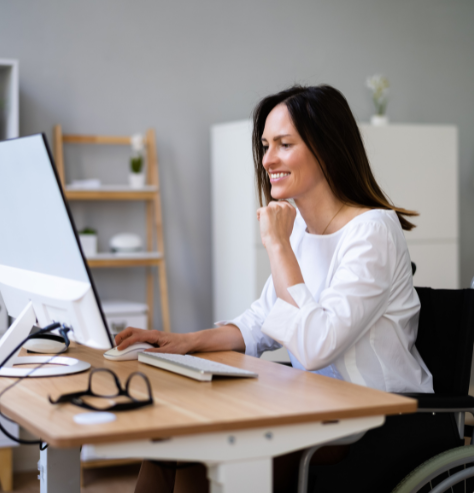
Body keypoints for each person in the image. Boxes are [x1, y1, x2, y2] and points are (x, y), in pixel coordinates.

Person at [119, 85, 446, 493]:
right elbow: (262, 320)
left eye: (284, 144)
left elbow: (315, 346)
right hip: (317, 407)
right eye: (265, 145)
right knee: (169, 444)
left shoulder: (372, 231)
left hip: (379, 422)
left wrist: (276, 245)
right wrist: (186, 341)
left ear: (326, 149)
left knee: (214, 453)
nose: (267, 159)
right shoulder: (303, 234)